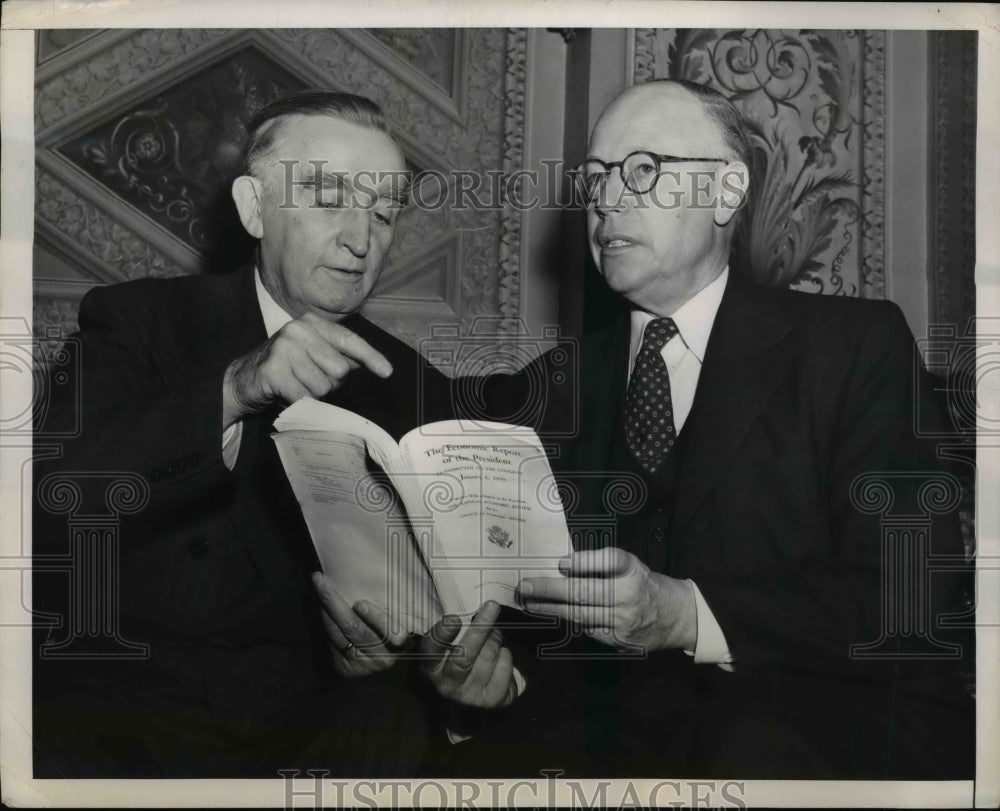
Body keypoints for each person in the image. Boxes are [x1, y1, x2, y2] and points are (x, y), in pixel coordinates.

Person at [432, 78, 975, 779]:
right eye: (595, 178)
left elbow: (907, 593)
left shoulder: (855, 346)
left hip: (832, 724)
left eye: (642, 170)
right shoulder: (546, 390)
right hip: (612, 744)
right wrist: (494, 686)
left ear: (726, 192)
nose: (607, 200)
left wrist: (687, 615)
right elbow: (535, 630)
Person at [32, 90, 516, 778]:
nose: (360, 240)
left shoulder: (417, 388)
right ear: (255, 209)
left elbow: (442, 618)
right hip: (124, 723)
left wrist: (413, 664)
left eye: (383, 212)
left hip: (319, 737)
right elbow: (48, 501)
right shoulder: (138, 321)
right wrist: (233, 390)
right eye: (329, 198)